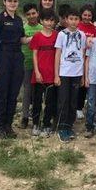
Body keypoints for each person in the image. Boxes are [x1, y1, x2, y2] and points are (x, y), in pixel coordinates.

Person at [0, 0, 31, 139]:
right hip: (3, 57)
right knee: (2, 92)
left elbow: (22, 40)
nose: (12, 3)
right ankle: (0, 125)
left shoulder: (19, 20)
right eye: (10, 0)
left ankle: (8, 125)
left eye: (15, 1)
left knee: (13, 93)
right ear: (4, 2)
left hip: (17, 57)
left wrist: (35, 37)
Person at [54, 7, 87, 142]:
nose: (73, 22)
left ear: (79, 20)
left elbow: (83, 55)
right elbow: (57, 54)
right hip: (64, 73)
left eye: (76, 19)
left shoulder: (83, 35)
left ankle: (69, 126)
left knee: (73, 101)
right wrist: (56, 75)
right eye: (71, 19)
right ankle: (61, 128)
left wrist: (83, 76)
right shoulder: (61, 34)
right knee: (63, 101)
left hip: (77, 74)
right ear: (66, 20)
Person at [30, 9, 59, 137]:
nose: (49, 22)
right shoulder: (37, 36)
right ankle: (36, 124)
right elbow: (35, 54)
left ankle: (47, 124)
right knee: (37, 101)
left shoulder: (57, 35)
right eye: (46, 20)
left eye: (52, 20)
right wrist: (36, 72)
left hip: (52, 74)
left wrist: (57, 74)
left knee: (50, 102)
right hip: (39, 74)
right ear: (41, 21)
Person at [20, 3, 42, 129]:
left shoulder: (42, 28)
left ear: (38, 13)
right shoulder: (23, 28)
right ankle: (24, 117)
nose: (31, 16)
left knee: (38, 93)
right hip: (27, 63)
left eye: (34, 13)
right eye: (28, 14)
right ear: (25, 16)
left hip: (40, 65)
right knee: (27, 91)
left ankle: (36, 116)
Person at [77, 4, 96, 120]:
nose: (87, 17)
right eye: (85, 15)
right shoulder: (77, 26)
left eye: (89, 15)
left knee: (86, 84)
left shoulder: (94, 27)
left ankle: (83, 107)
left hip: (89, 59)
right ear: (81, 15)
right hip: (77, 59)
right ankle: (77, 107)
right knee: (78, 83)